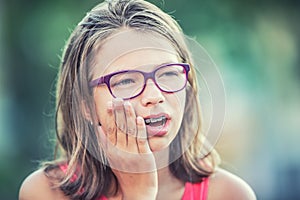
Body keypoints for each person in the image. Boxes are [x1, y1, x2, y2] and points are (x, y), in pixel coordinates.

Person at [19, 0, 256, 199]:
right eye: (125, 81)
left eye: (168, 74)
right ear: (86, 106)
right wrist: (139, 193)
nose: (154, 96)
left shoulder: (229, 193)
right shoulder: (46, 191)